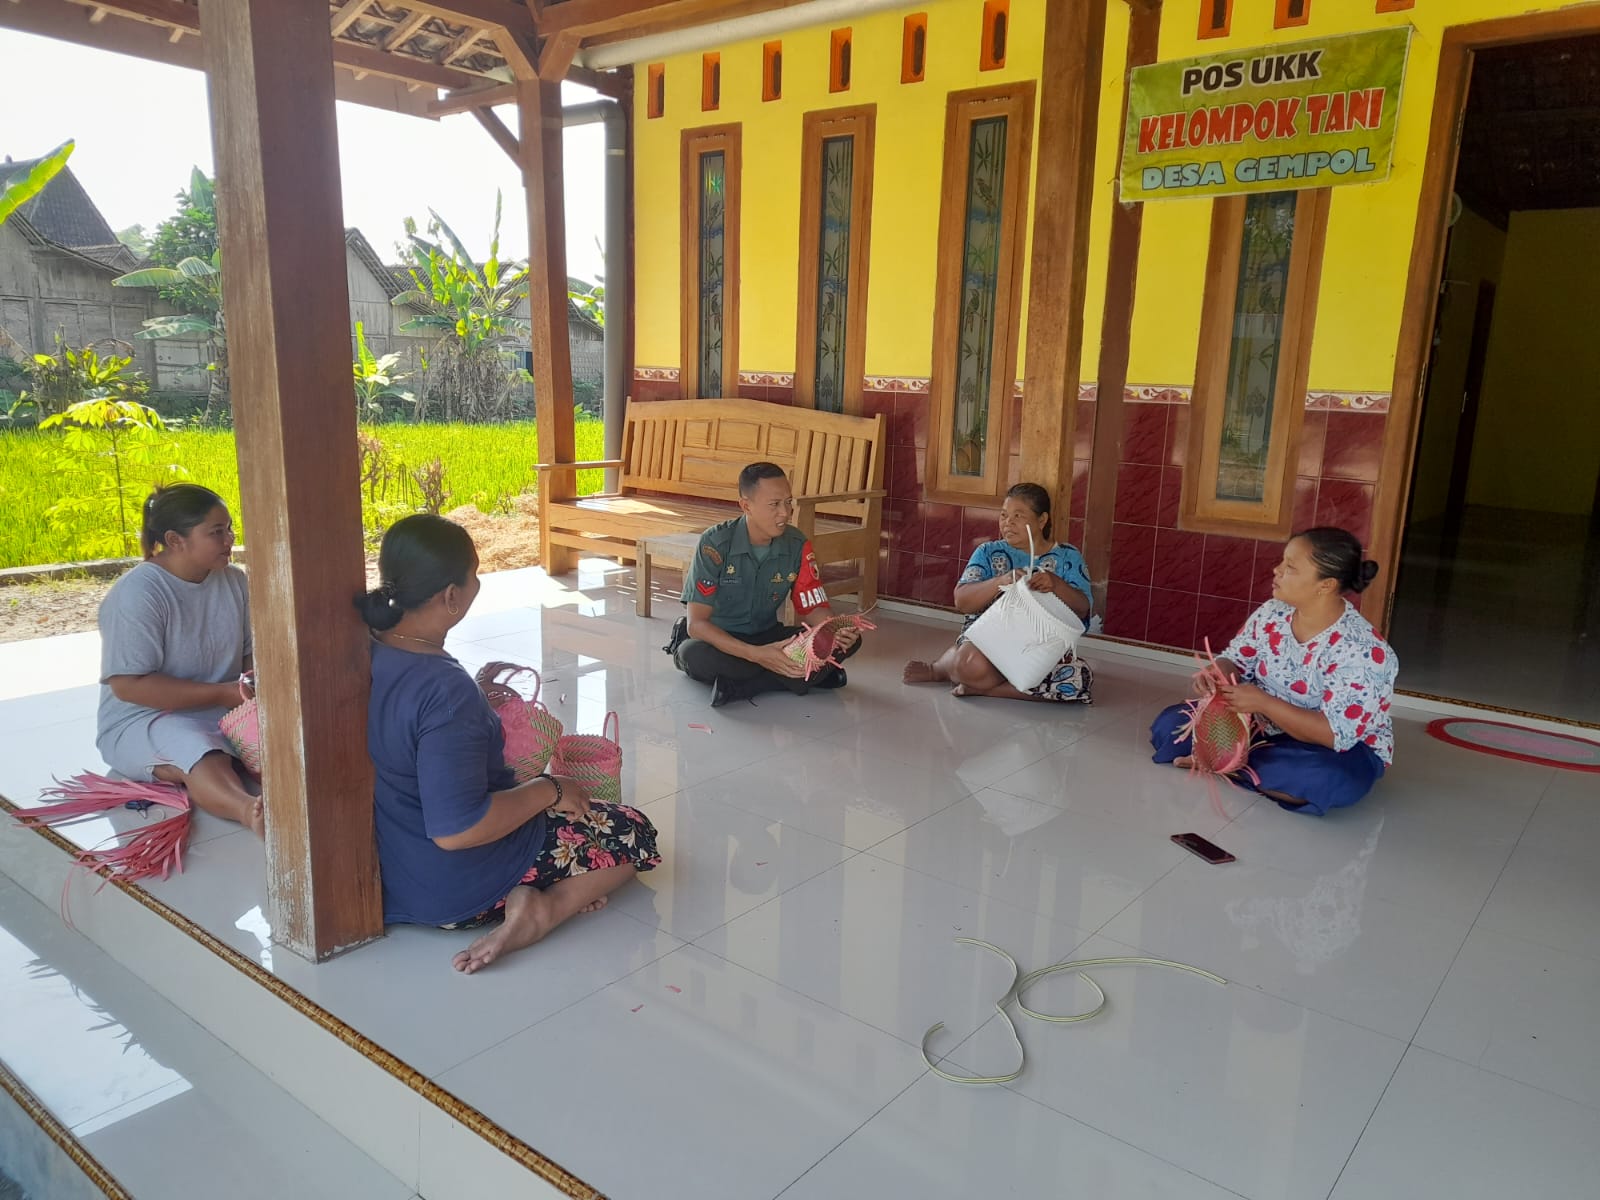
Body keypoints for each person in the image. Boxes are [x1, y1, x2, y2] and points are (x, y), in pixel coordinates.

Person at [357, 514, 660, 973]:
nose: (478, 584)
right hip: (457, 886)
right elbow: (458, 830)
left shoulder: (370, 647)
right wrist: (550, 789)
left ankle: (540, 893)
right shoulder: (445, 691)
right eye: (474, 574)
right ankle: (543, 910)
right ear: (451, 596)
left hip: (397, 870)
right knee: (634, 831)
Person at [1150, 527, 1399, 815]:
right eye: (1282, 561)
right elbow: (1236, 660)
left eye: (1290, 567)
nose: (1276, 570)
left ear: (1326, 585)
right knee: (1169, 726)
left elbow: (1334, 735)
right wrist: (1217, 672)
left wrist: (1264, 703)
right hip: (1260, 726)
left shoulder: (1364, 650)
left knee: (1322, 777)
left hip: (1334, 747)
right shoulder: (1273, 612)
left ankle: (1230, 764)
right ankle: (1250, 768)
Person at [96, 483, 263, 837]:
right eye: (216, 532)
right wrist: (222, 694)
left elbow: (250, 655)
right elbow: (128, 686)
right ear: (175, 540)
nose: (230, 539)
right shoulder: (139, 593)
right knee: (198, 751)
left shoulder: (234, 580)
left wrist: (253, 690)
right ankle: (248, 811)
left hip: (225, 707)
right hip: (145, 718)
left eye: (229, 528)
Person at [667, 461, 865, 708]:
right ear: (746, 506)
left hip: (769, 636)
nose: (785, 512)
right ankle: (804, 678)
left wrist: (834, 630)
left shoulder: (797, 544)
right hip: (723, 641)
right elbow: (697, 624)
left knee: (847, 641)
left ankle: (744, 687)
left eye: (788, 502)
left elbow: (814, 607)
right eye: (774, 504)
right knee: (692, 655)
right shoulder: (715, 544)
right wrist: (757, 655)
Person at [903, 482, 1094, 702]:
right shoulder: (988, 552)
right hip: (990, 641)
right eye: (1004, 515)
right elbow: (962, 601)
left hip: (1041, 649)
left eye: (1018, 516)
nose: (1008, 522)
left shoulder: (1068, 556)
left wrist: (1057, 585)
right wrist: (1000, 582)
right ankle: (944, 669)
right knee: (969, 664)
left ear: (1042, 520)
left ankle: (980, 687)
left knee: (1079, 679)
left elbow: (1082, 609)